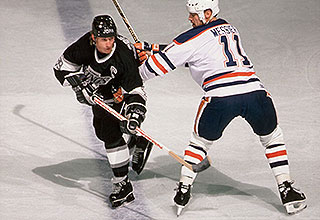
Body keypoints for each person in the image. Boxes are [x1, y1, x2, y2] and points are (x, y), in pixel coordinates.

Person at [136, 0, 306, 216]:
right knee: (272, 138)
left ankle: (183, 190)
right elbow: (200, 54)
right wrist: (153, 48)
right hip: (256, 94)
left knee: (199, 143)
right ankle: (287, 190)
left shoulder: (190, 38)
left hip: (220, 98)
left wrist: (135, 77)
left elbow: (159, 66)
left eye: (193, 14)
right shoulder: (229, 27)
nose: (190, 18)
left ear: (207, 12)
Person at [53, 15, 153, 208]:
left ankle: (123, 185)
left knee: (111, 136)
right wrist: (80, 85)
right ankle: (136, 141)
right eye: (104, 39)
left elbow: (137, 90)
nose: (108, 44)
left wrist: (135, 113)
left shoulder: (123, 55)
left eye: (111, 39)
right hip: (100, 96)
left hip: (120, 92)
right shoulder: (84, 45)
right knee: (101, 132)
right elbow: (61, 68)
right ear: (94, 37)